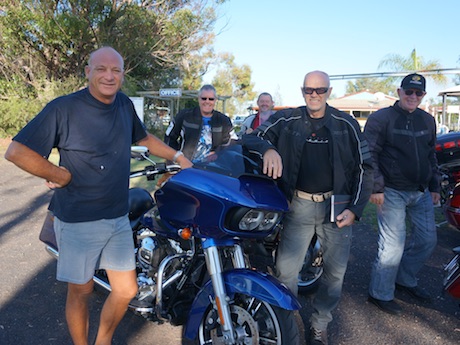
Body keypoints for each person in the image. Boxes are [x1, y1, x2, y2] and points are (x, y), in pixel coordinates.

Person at [4, 46, 192, 345]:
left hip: (116, 216)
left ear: (122, 75)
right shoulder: (64, 108)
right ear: (88, 72)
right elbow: (16, 151)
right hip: (78, 218)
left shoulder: (123, 105)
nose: (109, 75)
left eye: (115, 70)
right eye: (101, 69)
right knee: (81, 291)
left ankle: (102, 341)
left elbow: (142, 138)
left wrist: (179, 156)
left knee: (126, 290)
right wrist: (58, 174)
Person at [243, 70, 373, 345]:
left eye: (320, 90)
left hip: (336, 207)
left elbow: (365, 167)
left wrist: (356, 209)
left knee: (335, 272)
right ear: (302, 91)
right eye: (309, 90)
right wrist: (268, 149)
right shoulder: (287, 119)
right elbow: (252, 137)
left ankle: (319, 325)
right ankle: (284, 325)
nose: (314, 95)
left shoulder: (345, 123)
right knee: (285, 272)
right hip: (298, 204)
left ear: (329, 91)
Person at [365, 73, 441, 315]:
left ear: (424, 96)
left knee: (428, 240)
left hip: (420, 192)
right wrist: (376, 188)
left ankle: (404, 279)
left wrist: (435, 186)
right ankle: (380, 293)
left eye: (418, 93)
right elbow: (370, 155)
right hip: (391, 192)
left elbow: (431, 156)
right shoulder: (381, 118)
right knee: (392, 247)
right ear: (399, 92)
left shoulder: (428, 120)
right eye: (409, 91)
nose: (413, 96)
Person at [164, 84, 237, 162]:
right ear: (198, 99)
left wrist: (217, 153)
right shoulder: (184, 116)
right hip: (187, 166)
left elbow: (232, 142)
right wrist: (177, 157)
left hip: (214, 168)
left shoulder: (224, 121)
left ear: (215, 100)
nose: (207, 101)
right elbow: (169, 137)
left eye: (211, 99)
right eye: (204, 98)